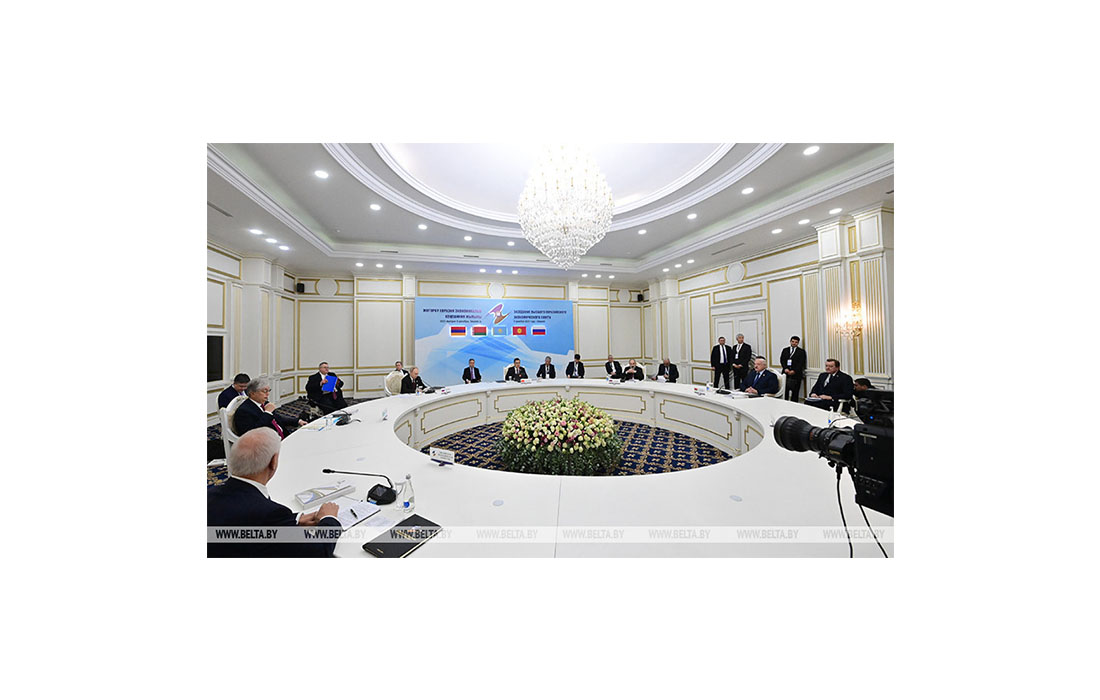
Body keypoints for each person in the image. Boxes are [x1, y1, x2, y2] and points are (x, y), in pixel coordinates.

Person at [207, 428, 342, 557]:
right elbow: (319, 552)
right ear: (273, 461)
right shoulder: (269, 514)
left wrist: (293, 521)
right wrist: (329, 519)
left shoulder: (210, 494)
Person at [233, 377, 299, 438]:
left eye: (268, 391)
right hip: (267, 442)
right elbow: (252, 432)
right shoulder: (244, 411)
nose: (268, 394)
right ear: (252, 393)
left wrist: (297, 421)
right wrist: (267, 413)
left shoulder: (264, 403)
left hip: (282, 436)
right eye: (264, 391)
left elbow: (277, 418)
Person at [779, 336, 807, 402]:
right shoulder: (785, 350)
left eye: (796, 342)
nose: (794, 343)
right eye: (793, 341)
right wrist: (785, 368)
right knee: (785, 391)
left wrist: (794, 371)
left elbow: (801, 363)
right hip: (786, 373)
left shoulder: (801, 351)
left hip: (796, 375)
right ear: (790, 341)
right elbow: (782, 360)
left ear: (798, 343)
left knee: (795, 392)